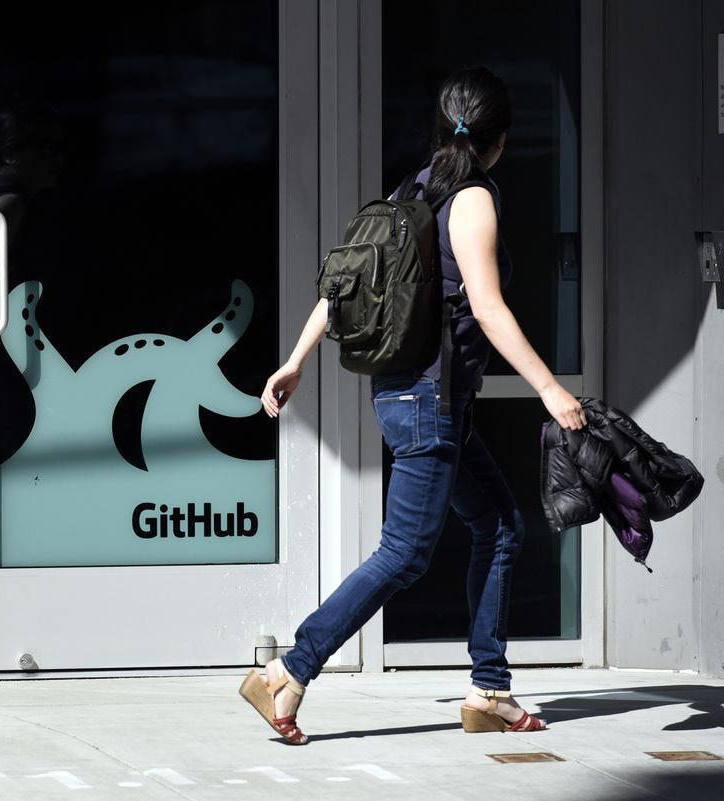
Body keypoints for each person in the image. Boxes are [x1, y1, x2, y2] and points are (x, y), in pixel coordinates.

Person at [239, 67, 587, 745]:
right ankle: (291, 667)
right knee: (404, 553)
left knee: (500, 524)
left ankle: (489, 689)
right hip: (431, 401)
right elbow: (487, 307)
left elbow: (342, 283)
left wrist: (296, 358)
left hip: (407, 395)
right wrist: (549, 386)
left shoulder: (412, 189)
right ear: (501, 140)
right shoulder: (474, 199)